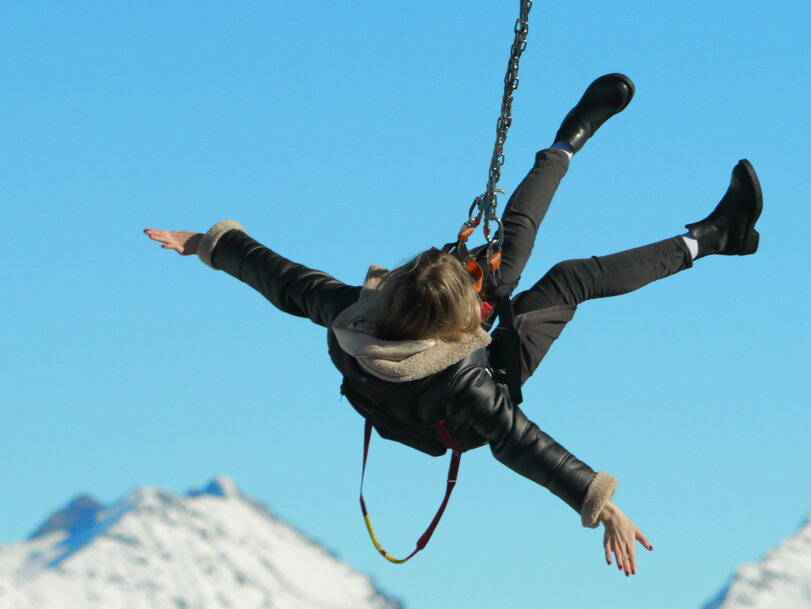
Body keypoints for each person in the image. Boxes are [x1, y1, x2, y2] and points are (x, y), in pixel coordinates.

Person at [144, 74, 762, 577]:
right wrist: (602, 506)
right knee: (569, 277)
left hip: (420, 358)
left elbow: (277, 275)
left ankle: (569, 140)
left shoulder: (351, 311)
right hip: (449, 404)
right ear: (461, 324)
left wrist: (205, 242)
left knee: (505, 252)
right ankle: (712, 239)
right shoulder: (472, 388)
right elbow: (523, 444)